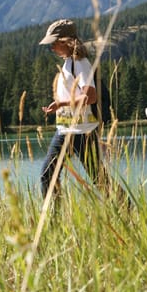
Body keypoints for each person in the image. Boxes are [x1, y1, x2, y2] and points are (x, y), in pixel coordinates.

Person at [38, 19, 105, 199]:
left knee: (99, 179)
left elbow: (91, 97)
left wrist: (61, 104)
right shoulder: (69, 62)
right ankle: (54, 220)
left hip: (81, 132)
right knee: (48, 175)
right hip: (68, 129)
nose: (52, 48)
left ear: (66, 41)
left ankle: (127, 210)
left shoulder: (80, 63)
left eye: (54, 43)